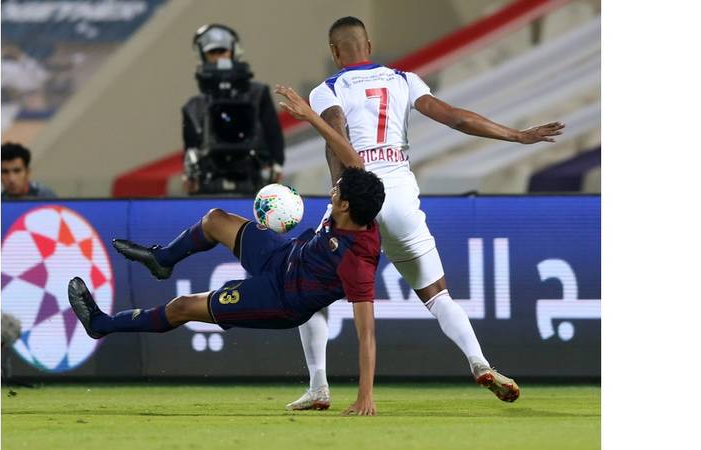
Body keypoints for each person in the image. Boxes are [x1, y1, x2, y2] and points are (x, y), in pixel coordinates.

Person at [279, 16, 565, 410]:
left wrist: (337, 188)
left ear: (334, 52)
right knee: (437, 294)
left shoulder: (328, 89)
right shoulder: (404, 80)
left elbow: (335, 135)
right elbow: (455, 117)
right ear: (369, 46)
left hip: (357, 198)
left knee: (307, 288)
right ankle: (479, 362)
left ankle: (318, 387)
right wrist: (515, 135)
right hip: (399, 195)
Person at [70, 104, 385, 415]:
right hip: (283, 255)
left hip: (280, 298)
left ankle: (101, 324)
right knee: (215, 220)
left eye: (337, 190)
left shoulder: (355, 263)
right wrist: (313, 117)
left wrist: (365, 397)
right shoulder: (358, 204)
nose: (333, 190)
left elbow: (367, 335)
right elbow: (350, 159)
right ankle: (162, 259)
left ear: (345, 206)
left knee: (182, 307)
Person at [182, 24, 285, 194]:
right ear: (203, 55)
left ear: (233, 51)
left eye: (222, 51)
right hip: (210, 181)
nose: (218, 57)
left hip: (253, 177)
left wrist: (276, 165)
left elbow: (273, 133)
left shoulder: (258, 94)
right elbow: (190, 148)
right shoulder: (193, 107)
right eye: (212, 53)